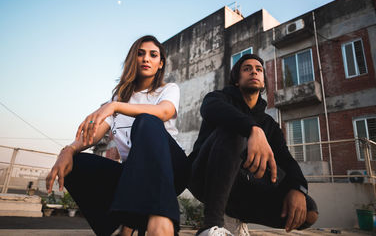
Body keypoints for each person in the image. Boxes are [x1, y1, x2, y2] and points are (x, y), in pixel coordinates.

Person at [46, 35, 190, 236]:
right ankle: (115, 228)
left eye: (153, 55)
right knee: (76, 164)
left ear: (160, 64)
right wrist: (68, 150)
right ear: (133, 59)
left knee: (146, 120)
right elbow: (94, 135)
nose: (146, 59)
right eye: (140, 54)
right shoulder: (119, 98)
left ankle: (161, 221)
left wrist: (114, 106)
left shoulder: (167, 89)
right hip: (134, 175)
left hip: (172, 169)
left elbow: (164, 112)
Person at [188, 54, 319, 236]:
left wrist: (298, 188)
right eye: (247, 68)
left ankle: (235, 219)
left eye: (259, 69)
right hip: (205, 176)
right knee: (234, 130)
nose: (254, 72)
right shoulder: (219, 98)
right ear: (237, 80)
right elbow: (210, 109)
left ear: (264, 82)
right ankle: (211, 226)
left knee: (310, 210)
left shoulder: (270, 124)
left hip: (244, 187)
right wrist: (253, 129)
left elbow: (286, 159)